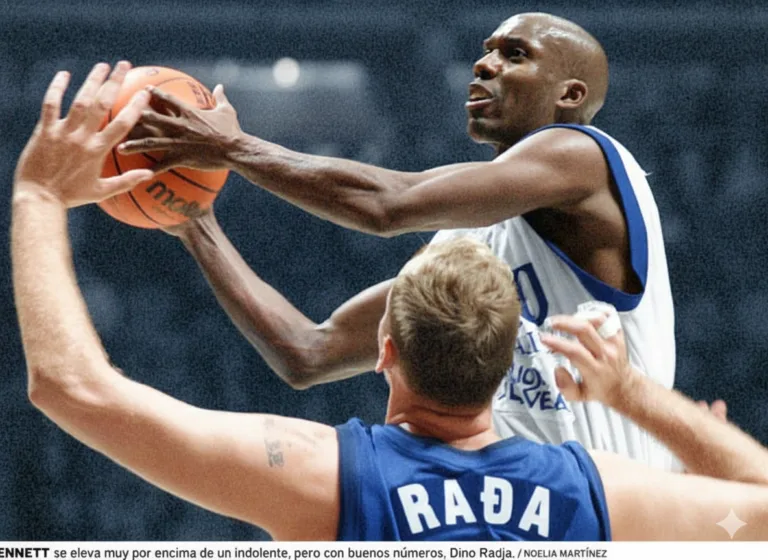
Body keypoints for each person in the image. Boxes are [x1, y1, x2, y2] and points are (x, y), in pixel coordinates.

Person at [12, 63, 768, 541]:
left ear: (385, 352)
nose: (486, 64)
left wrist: (39, 191)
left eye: (515, 55)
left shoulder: (326, 479)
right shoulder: (594, 494)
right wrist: (642, 400)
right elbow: (756, 505)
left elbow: (71, 386)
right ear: (511, 356)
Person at [121, 12, 681, 468]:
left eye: (514, 55)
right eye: (487, 50)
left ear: (570, 93)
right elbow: (308, 353)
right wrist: (195, 225)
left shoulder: (586, 155)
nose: (484, 64)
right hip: (517, 520)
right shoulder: (462, 251)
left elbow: (387, 204)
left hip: (618, 510)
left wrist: (233, 147)